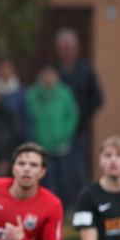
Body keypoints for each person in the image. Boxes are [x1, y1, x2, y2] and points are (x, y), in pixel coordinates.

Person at [53, 28, 103, 185]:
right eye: (63, 48)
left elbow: (98, 98)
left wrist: (83, 116)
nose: (67, 52)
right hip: (56, 130)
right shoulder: (52, 70)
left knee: (78, 167)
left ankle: (80, 202)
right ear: (58, 50)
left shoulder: (86, 70)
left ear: (76, 49)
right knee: (58, 168)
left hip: (79, 129)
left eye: (70, 48)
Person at [26, 66, 79, 206]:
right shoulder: (33, 95)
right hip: (41, 144)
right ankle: (45, 205)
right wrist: (34, 137)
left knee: (64, 177)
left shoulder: (64, 93)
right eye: (46, 75)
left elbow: (72, 116)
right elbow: (28, 118)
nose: (48, 79)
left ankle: (64, 206)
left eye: (51, 75)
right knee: (44, 177)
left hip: (62, 144)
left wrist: (65, 134)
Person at [0, 58, 31, 141]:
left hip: (17, 137)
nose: (5, 70)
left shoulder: (20, 91)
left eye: (8, 67)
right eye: (2, 68)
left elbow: (25, 118)